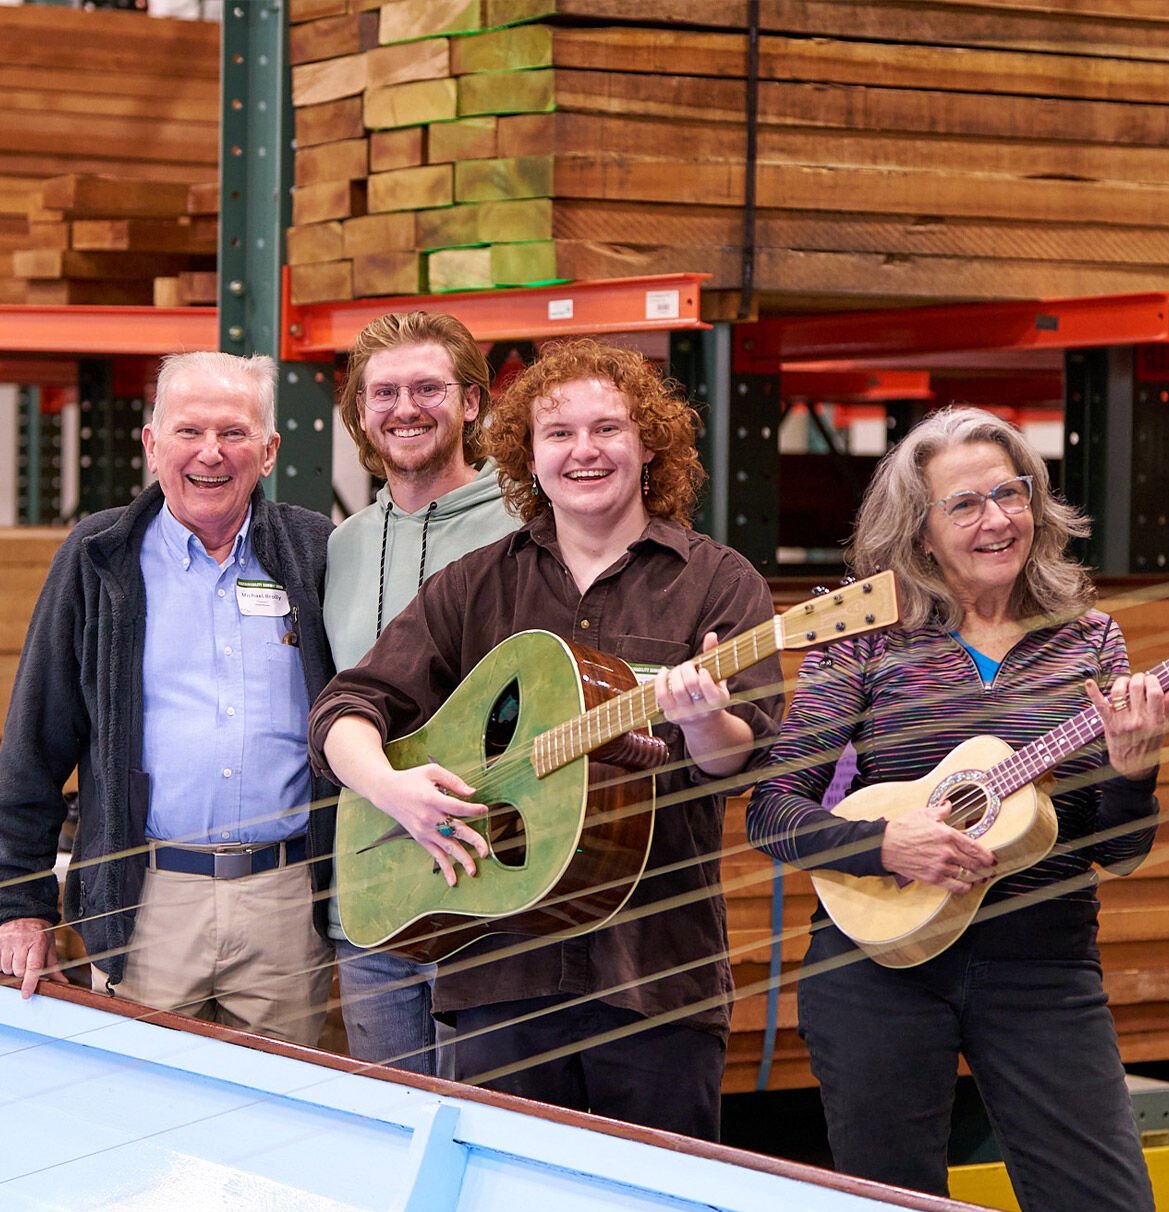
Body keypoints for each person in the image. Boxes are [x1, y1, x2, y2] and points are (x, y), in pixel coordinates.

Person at [309, 338, 782, 1139]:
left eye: (607, 429)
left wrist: (704, 717)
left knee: (655, 1199)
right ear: (527, 455)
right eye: (558, 433)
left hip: (655, 971)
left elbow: (742, 759)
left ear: (648, 444)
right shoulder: (477, 582)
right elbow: (348, 705)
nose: (583, 451)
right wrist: (392, 789)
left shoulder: (718, 582)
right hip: (500, 971)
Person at [746, 405, 1169, 1212]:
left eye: (1010, 494)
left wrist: (1134, 772)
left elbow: (1117, 850)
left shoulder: (1088, 641)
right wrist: (884, 843)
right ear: (919, 530)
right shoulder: (863, 640)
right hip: (876, 966)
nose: (997, 519)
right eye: (965, 504)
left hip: (1040, 964)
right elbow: (772, 811)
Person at [0, 351, 336, 1046]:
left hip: (284, 902)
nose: (210, 453)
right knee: (139, 1102)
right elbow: (35, 742)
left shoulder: (316, 553)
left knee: (281, 1106)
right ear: (152, 445)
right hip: (145, 901)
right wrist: (19, 904)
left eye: (234, 432)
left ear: (269, 451)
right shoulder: (99, 556)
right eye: (189, 431)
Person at [325, 312, 515, 1077]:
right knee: (386, 1124)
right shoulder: (343, 545)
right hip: (371, 905)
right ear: (360, 410)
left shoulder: (526, 525)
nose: (405, 408)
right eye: (384, 392)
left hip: (492, 894)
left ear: (470, 402)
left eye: (428, 388)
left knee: (489, 1124)